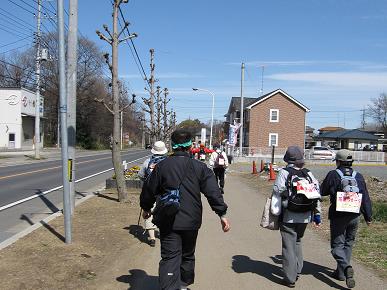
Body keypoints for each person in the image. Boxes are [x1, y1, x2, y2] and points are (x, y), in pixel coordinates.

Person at [140, 129, 230, 290]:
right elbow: (213, 192)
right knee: (187, 255)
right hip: (191, 219)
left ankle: (169, 286)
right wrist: (221, 213)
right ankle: (182, 285)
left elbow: (149, 189)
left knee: (170, 256)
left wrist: (146, 208)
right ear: (190, 146)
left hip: (168, 218)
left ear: (172, 146)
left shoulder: (162, 166)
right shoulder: (200, 167)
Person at [271, 146, 322, 288]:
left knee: (288, 246)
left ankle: (290, 278)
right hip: (306, 215)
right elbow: (317, 193)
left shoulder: (284, 172)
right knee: (298, 241)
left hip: (289, 215)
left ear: (288, 159)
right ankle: (297, 270)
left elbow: (277, 189)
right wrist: (317, 215)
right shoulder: (308, 173)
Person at [320, 149, 372, 289]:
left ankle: (346, 268)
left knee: (336, 246)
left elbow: (323, 191)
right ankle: (341, 274)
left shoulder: (333, 174)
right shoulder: (359, 176)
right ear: (351, 162)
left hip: (339, 215)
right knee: (348, 243)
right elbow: (365, 198)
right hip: (355, 214)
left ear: (338, 161)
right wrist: (368, 216)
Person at [138, 140, 168, 247]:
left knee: (148, 212)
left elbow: (141, 175)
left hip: (150, 192)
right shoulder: (169, 162)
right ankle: (164, 233)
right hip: (165, 193)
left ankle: (152, 238)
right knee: (165, 213)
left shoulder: (148, 162)